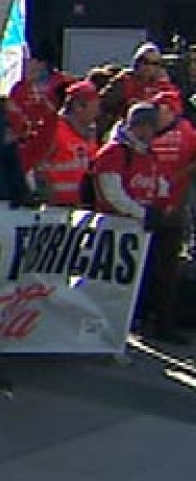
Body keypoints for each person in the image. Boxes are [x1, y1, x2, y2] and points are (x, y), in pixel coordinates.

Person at [93, 103, 183, 343]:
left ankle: (142, 325)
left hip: (141, 230)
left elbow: (158, 184)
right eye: (153, 128)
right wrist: (141, 212)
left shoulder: (148, 153)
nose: (155, 134)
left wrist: (162, 207)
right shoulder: (115, 152)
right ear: (141, 126)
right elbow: (110, 192)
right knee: (113, 287)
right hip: (117, 229)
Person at [35, 81, 100, 207]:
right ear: (78, 106)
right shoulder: (54, 129)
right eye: (95, 106)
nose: (98, 112)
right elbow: (38, 168)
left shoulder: (90, 132)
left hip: (81, 209)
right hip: (56, 211)